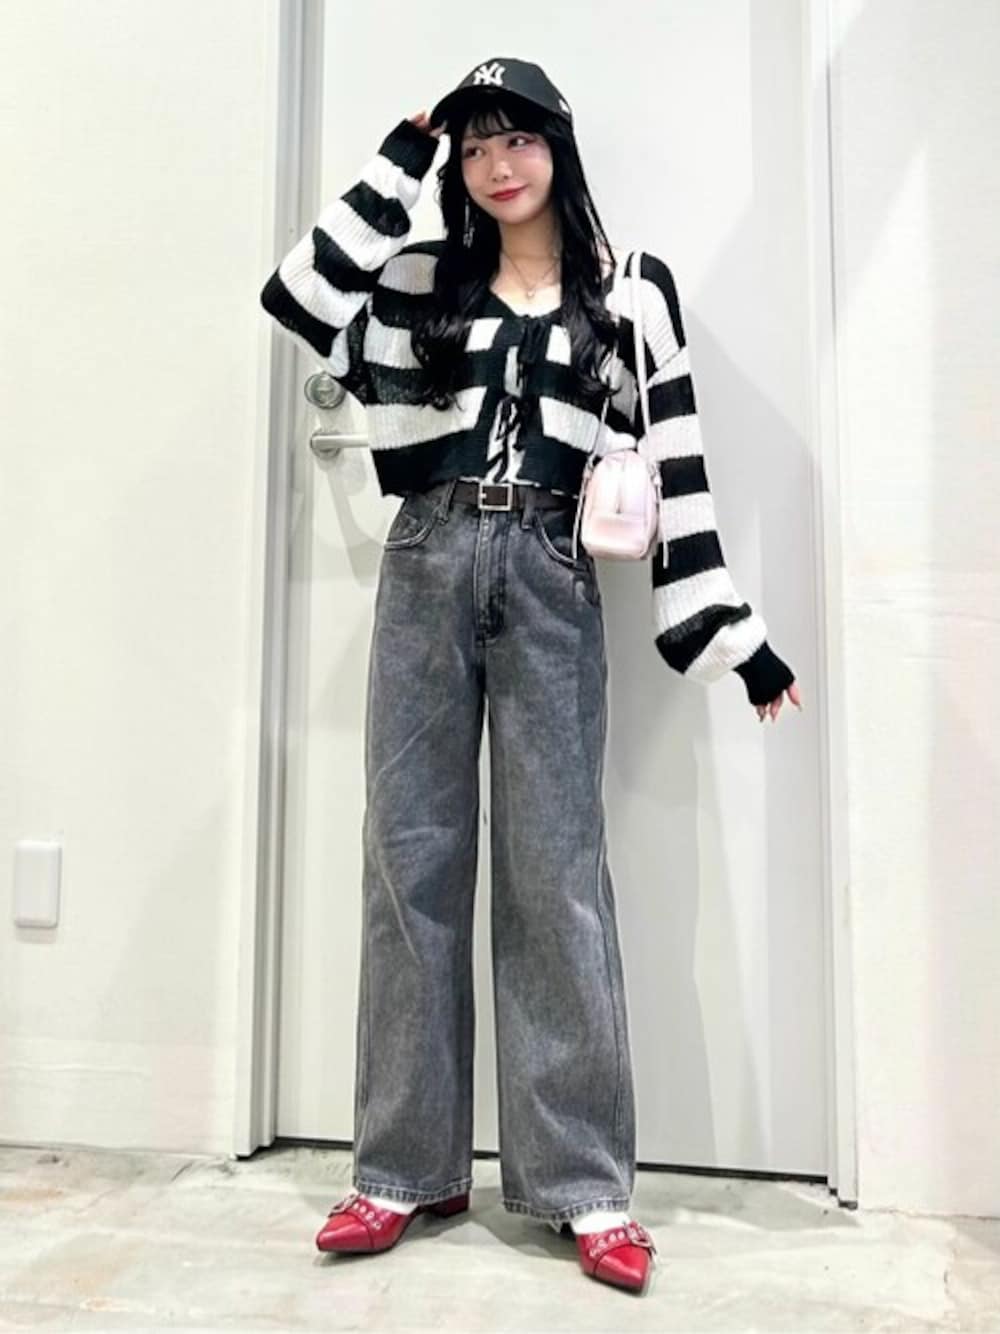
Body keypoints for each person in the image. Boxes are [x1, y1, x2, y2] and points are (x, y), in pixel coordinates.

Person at [259, 56, 801, 1297]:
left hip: (554, 567)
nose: (496, 165)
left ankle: (584, 1183)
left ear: (557, 146)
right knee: (409, 858)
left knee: (555, 872)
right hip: (426, 558)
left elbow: (676, 457)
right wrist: (401, 155)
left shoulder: (630, 289)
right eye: (474, 147)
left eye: (517, 139)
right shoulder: (419, 284)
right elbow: (300, 294)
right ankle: (403, 1166)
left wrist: (730, 631)